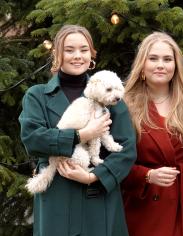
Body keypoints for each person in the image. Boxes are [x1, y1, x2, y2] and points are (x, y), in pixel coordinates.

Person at [19, 24, 137, 236]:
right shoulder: (37, 96)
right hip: (57, 196)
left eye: (84, 50)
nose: (77, 56)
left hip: (99, 196)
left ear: (92, 54)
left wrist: (94, 176)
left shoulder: (110, 96)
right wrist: (81, 135)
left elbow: (127, 150)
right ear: (57, 54)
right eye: (69, 49)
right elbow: (33, 138)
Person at [121, 32, 183, 236]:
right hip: (145, 206)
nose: (161, 65)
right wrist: (147, 175)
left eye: (167, 59)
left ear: (176, 65)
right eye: (153, 58)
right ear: (142, 64)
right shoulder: (124, 105)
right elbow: (112, 162)